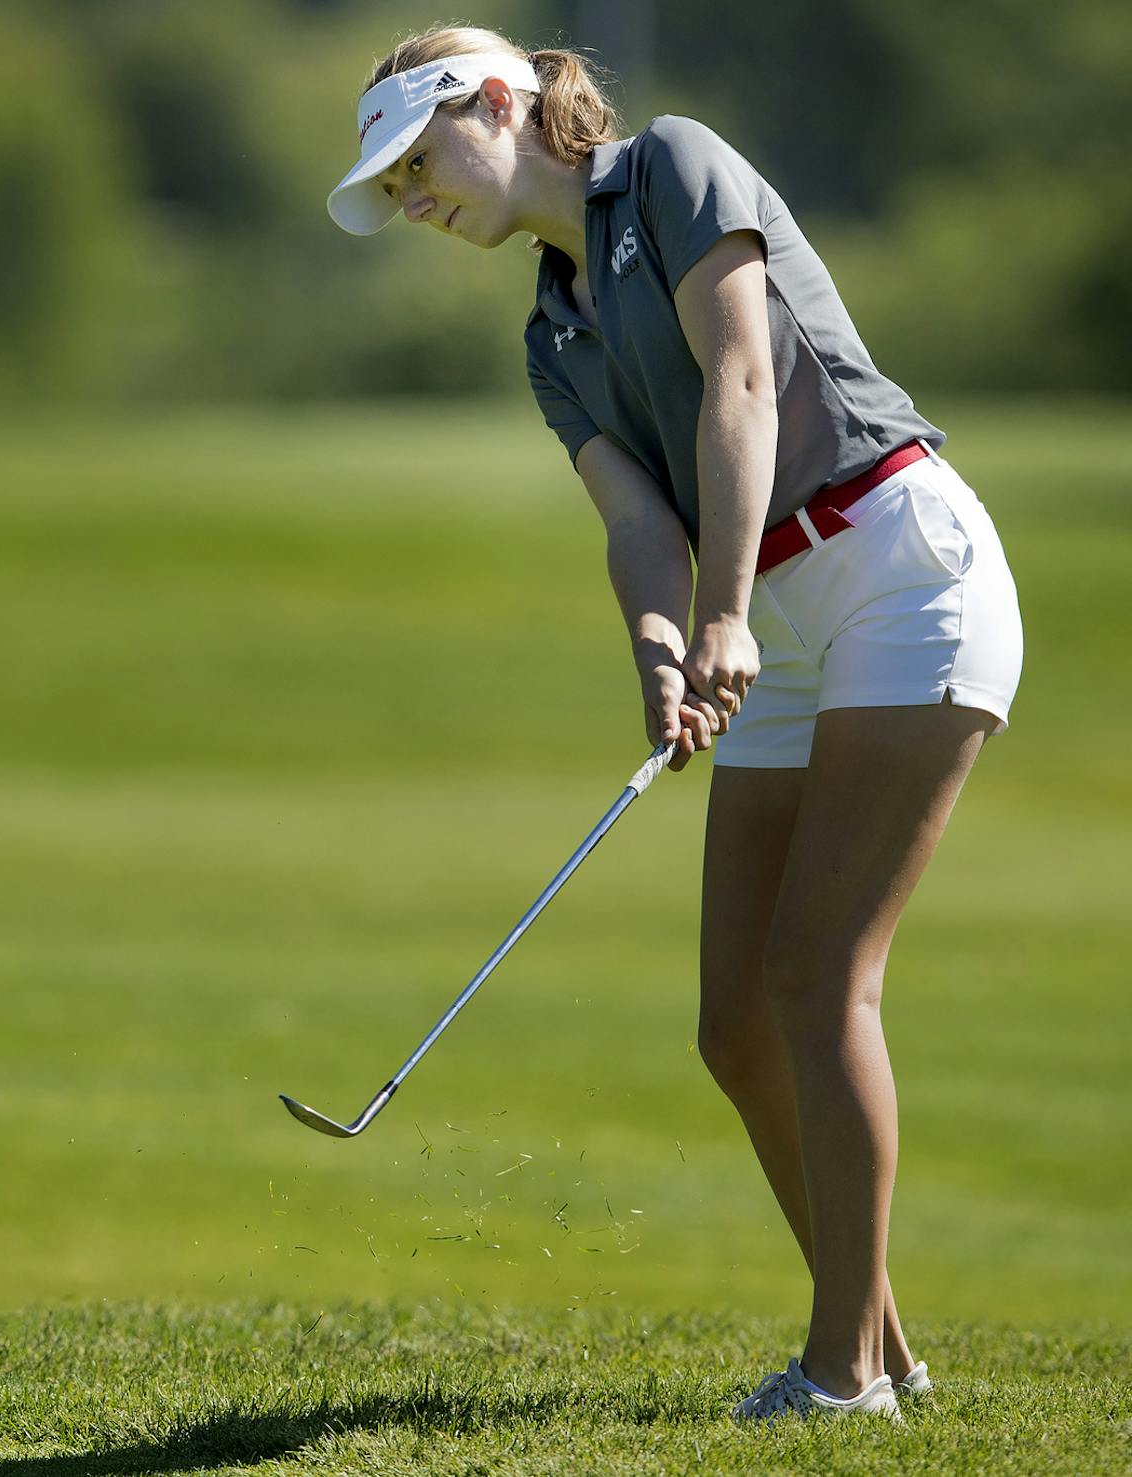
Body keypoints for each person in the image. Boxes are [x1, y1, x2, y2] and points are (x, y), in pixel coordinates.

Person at [324, 26, 1024, 1423]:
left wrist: (720, 618)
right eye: (390, 188)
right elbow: (636, 518)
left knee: (822, 979)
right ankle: (882, 1343)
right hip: (762, 606)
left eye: (416, 161)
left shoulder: (673, 171)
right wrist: (664, 642)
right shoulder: (551, 336)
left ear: (504, 102)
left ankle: (838, 1382)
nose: (410, 202)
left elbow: (743, 385)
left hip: (897, 566)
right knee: (736, 1024)